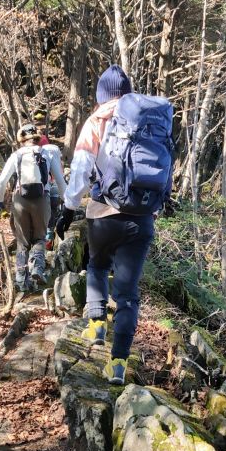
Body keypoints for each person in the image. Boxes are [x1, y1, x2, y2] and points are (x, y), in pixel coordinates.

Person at [56, 64, 160, 385]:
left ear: (102, 95)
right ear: (127, 92)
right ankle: (117, 364)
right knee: (128, 294)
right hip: (141, 218)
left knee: (97, 264)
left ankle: (97, 323)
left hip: (103, 212)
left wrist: (68, 208)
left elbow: (82, 169)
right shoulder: (149, 121)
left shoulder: (97, 120)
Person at [0, 123, 65, 292]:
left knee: (22, 241)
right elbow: (60, 180)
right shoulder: (47, 153)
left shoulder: (16, 155)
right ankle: (38, 269)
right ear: (36, 137)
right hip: (41, 199)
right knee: (40, 237)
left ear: (21, 139)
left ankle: (20, 278)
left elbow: (2, 181)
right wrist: (67, 202)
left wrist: (0, 202)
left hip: (20, 199)